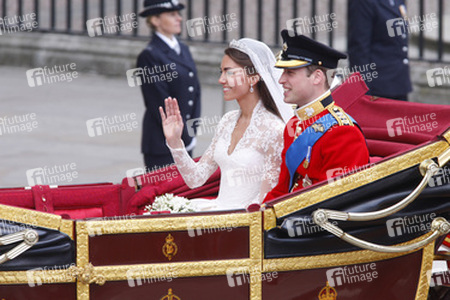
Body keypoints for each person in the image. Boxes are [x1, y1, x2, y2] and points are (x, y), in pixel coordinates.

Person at [160, 38, 293, 211]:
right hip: (218, 211)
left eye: (229, 72)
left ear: (253, 78)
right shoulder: (227, 121)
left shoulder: (274, 130)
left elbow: (264, 202)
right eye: (221, 72)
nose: (221, 79)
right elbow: (195, 179)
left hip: (244, 222)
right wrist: (175, 142)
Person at [264, 30, 370, 202]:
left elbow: (338, 203)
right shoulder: (294, 123)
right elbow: (283, 189)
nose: (281, 80)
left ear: (317, 77)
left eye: (290, 73)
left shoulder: (342, 132)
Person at [137, 0, 201, 170]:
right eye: (172, 15)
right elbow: (158, 100)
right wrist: (180, 138)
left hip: (185, 138)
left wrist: (191, 130)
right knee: (164, 195)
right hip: (162, 143)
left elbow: (195, 91)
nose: (179, 18)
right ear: (155, 20)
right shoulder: (149, 56)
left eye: (178, 14)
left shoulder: (183, 48)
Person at [348, 0, 412, 101]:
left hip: (399, 83)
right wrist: (364, 94)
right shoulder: (362, 2)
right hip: (378, 88)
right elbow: (359, 50)